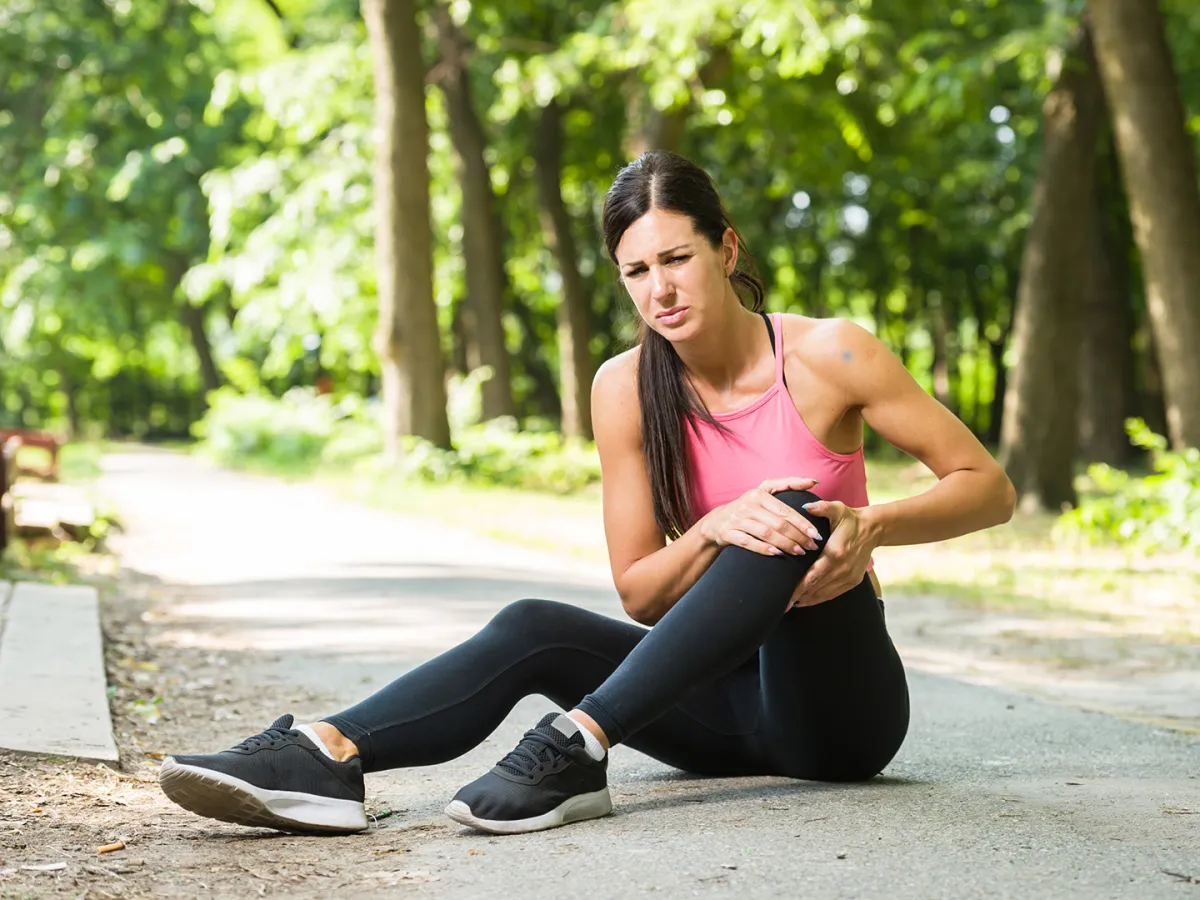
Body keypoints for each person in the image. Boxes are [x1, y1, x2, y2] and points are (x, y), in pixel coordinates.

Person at [158, 151, 1015, 836]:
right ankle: (327, 753)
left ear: (727, 249)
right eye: (635, 271)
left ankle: (579, 743)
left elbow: (989, 489)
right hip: (720, 711)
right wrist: (713, 527)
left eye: (677, 259)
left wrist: (868, 526)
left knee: (786, 510)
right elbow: (641, 591)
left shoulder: (829, 355)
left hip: (839, 712)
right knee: (535, 625)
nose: (660, 290)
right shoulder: (624, 387)